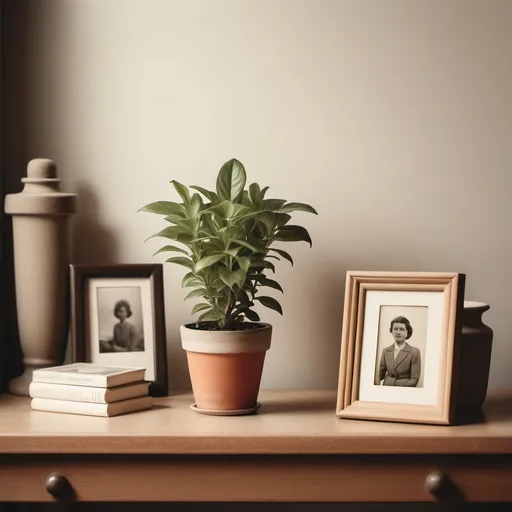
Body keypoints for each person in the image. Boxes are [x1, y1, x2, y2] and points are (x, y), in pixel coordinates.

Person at [377, 316, 421, 387]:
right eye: (395, 329)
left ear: (407, 332)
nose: (398, 332)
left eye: (402, 329)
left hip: (404, 391)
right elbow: (379, 376)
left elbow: (414, 380)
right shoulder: (386, 351)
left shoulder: (414, 352)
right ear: (391, 331)